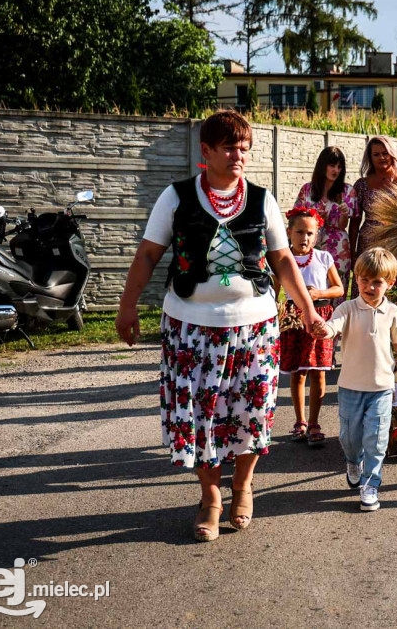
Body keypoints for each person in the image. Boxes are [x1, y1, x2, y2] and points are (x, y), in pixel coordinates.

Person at [115, 110, 323, 542]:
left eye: (244, 148)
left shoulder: (262, 199)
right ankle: (210, 497)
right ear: (205, 151)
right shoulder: (175, 197)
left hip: (255, 326)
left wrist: (307, 309)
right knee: (198, 414)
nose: (239, 155)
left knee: (252, 410)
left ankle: (243, 486)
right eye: (230, 147)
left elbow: (283, 259)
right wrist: (127, 306)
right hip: (190, 327)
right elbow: (149, 255)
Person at [312, 248, 397, 512]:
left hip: (382, 388)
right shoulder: (347, 308)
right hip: (350, 387)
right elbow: (332, 327)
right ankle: (353, 461)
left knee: (376, 438)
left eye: (377, 282)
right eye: (364, 280)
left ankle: (371, 483)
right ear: (356, 278)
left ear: (390, 283)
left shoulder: (394, 312)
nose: (370, 287)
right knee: (349, 438)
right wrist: (323, 329)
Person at [281, 207, 344, 446]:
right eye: (299, 232)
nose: (304, 238)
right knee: (298, 372)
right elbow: (276, 290)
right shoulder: (283, 259)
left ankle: (316, 422)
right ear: (289, 232)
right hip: (292, 318)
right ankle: (300, 420)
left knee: (319, 371)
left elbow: (339, 288)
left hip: (321, 317)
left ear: (316, 235)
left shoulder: (324, 258)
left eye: (309, 233)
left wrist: (319, 293)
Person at [294, 146, 357, 304]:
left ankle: (337, 326)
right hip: (310, 243)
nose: (336, 170)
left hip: (338, 247)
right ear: (322, 165)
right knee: (310, 284)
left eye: (339, 166)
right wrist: (313, 219)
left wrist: (343, 214)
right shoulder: (307, 190)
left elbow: (343, 226)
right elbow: (296, 217)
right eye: (332, 165)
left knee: (337, 289)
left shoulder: (347, 191)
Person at [350, 135, 397, 261]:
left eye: (385, 153)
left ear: (392, 154)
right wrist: (351, 252)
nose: (381, 157)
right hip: (368, 245)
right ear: (370, 158)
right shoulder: (361, 185)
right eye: (376, 154)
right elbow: (354, 222)